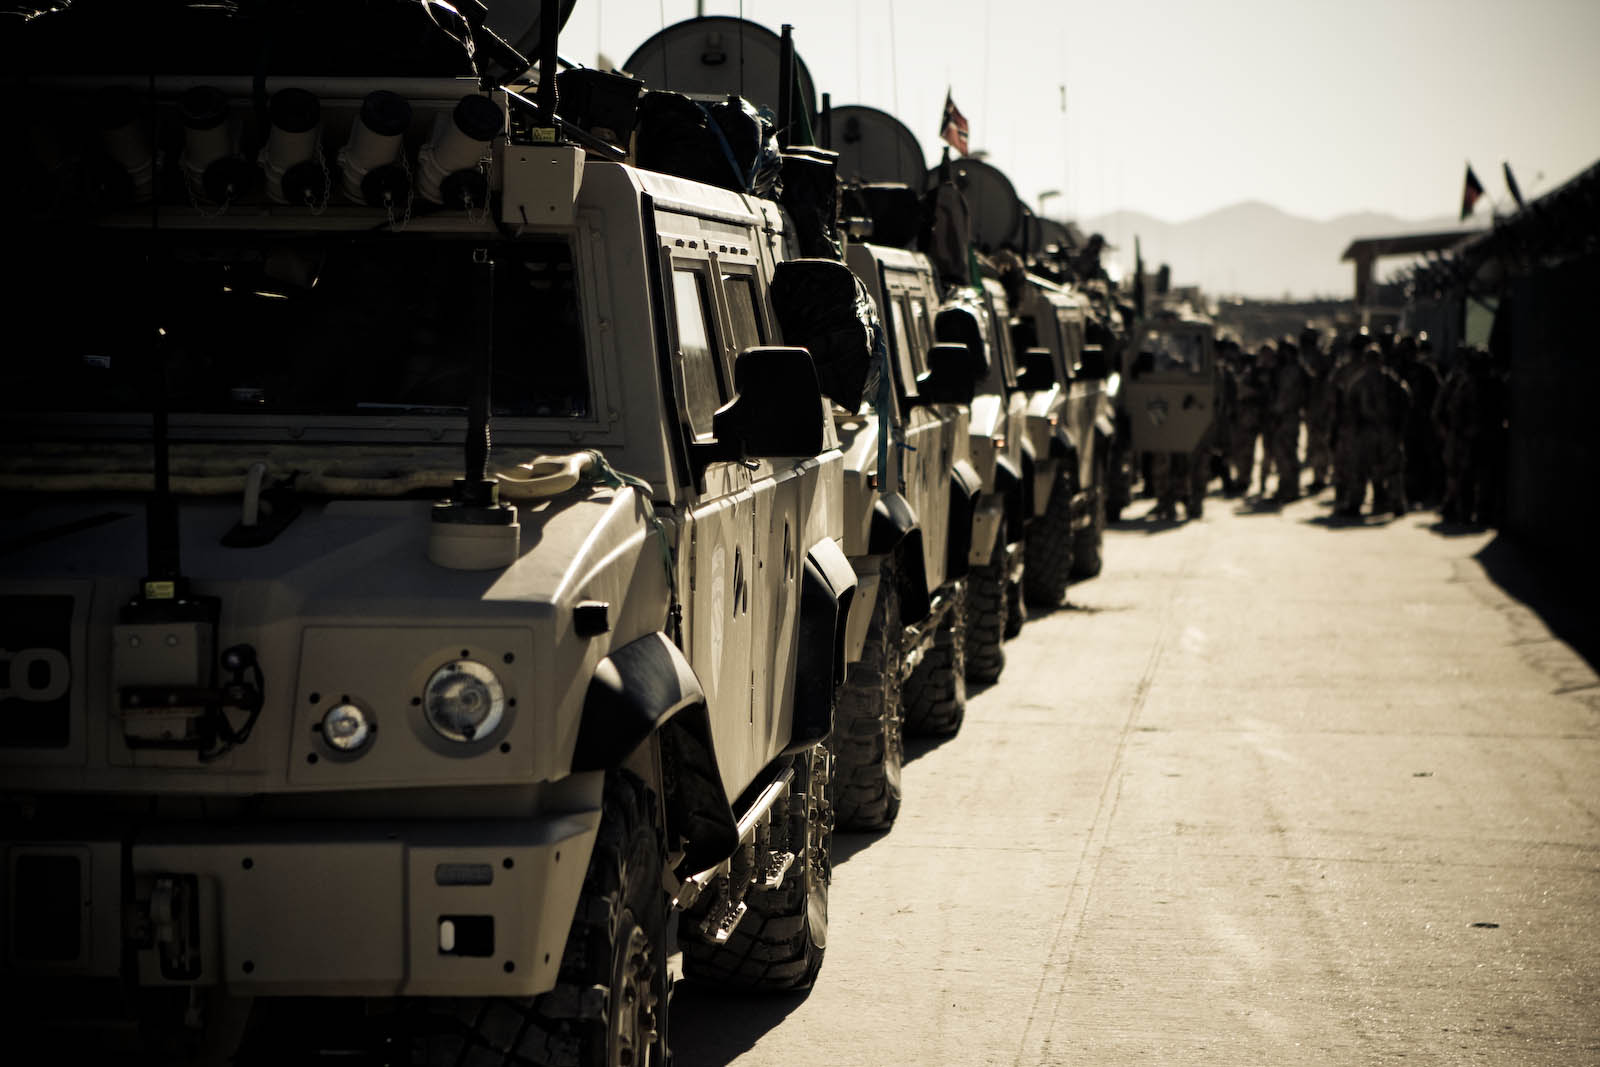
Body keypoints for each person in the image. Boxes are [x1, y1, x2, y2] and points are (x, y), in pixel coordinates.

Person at [1336, 342, 1411, 517]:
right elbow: (1350, 406)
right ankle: (1357, 503)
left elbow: (1405, 401)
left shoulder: (1388, 380)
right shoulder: (1364, 381)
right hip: (1370, 430)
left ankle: (1396, 503)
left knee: (1391, 469)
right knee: (1360, 468)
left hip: (1384, 430)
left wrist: (1398, 426)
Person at [1264, 336, 1309, 502]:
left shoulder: (1292, 371)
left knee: (1286, 453)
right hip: (1285, 416)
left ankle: (1290, 489)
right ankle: (1287, 487)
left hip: (1287, 417)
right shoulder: (1286, 370)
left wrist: (1277, 412)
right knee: (1283, 453)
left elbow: (1286, 397)